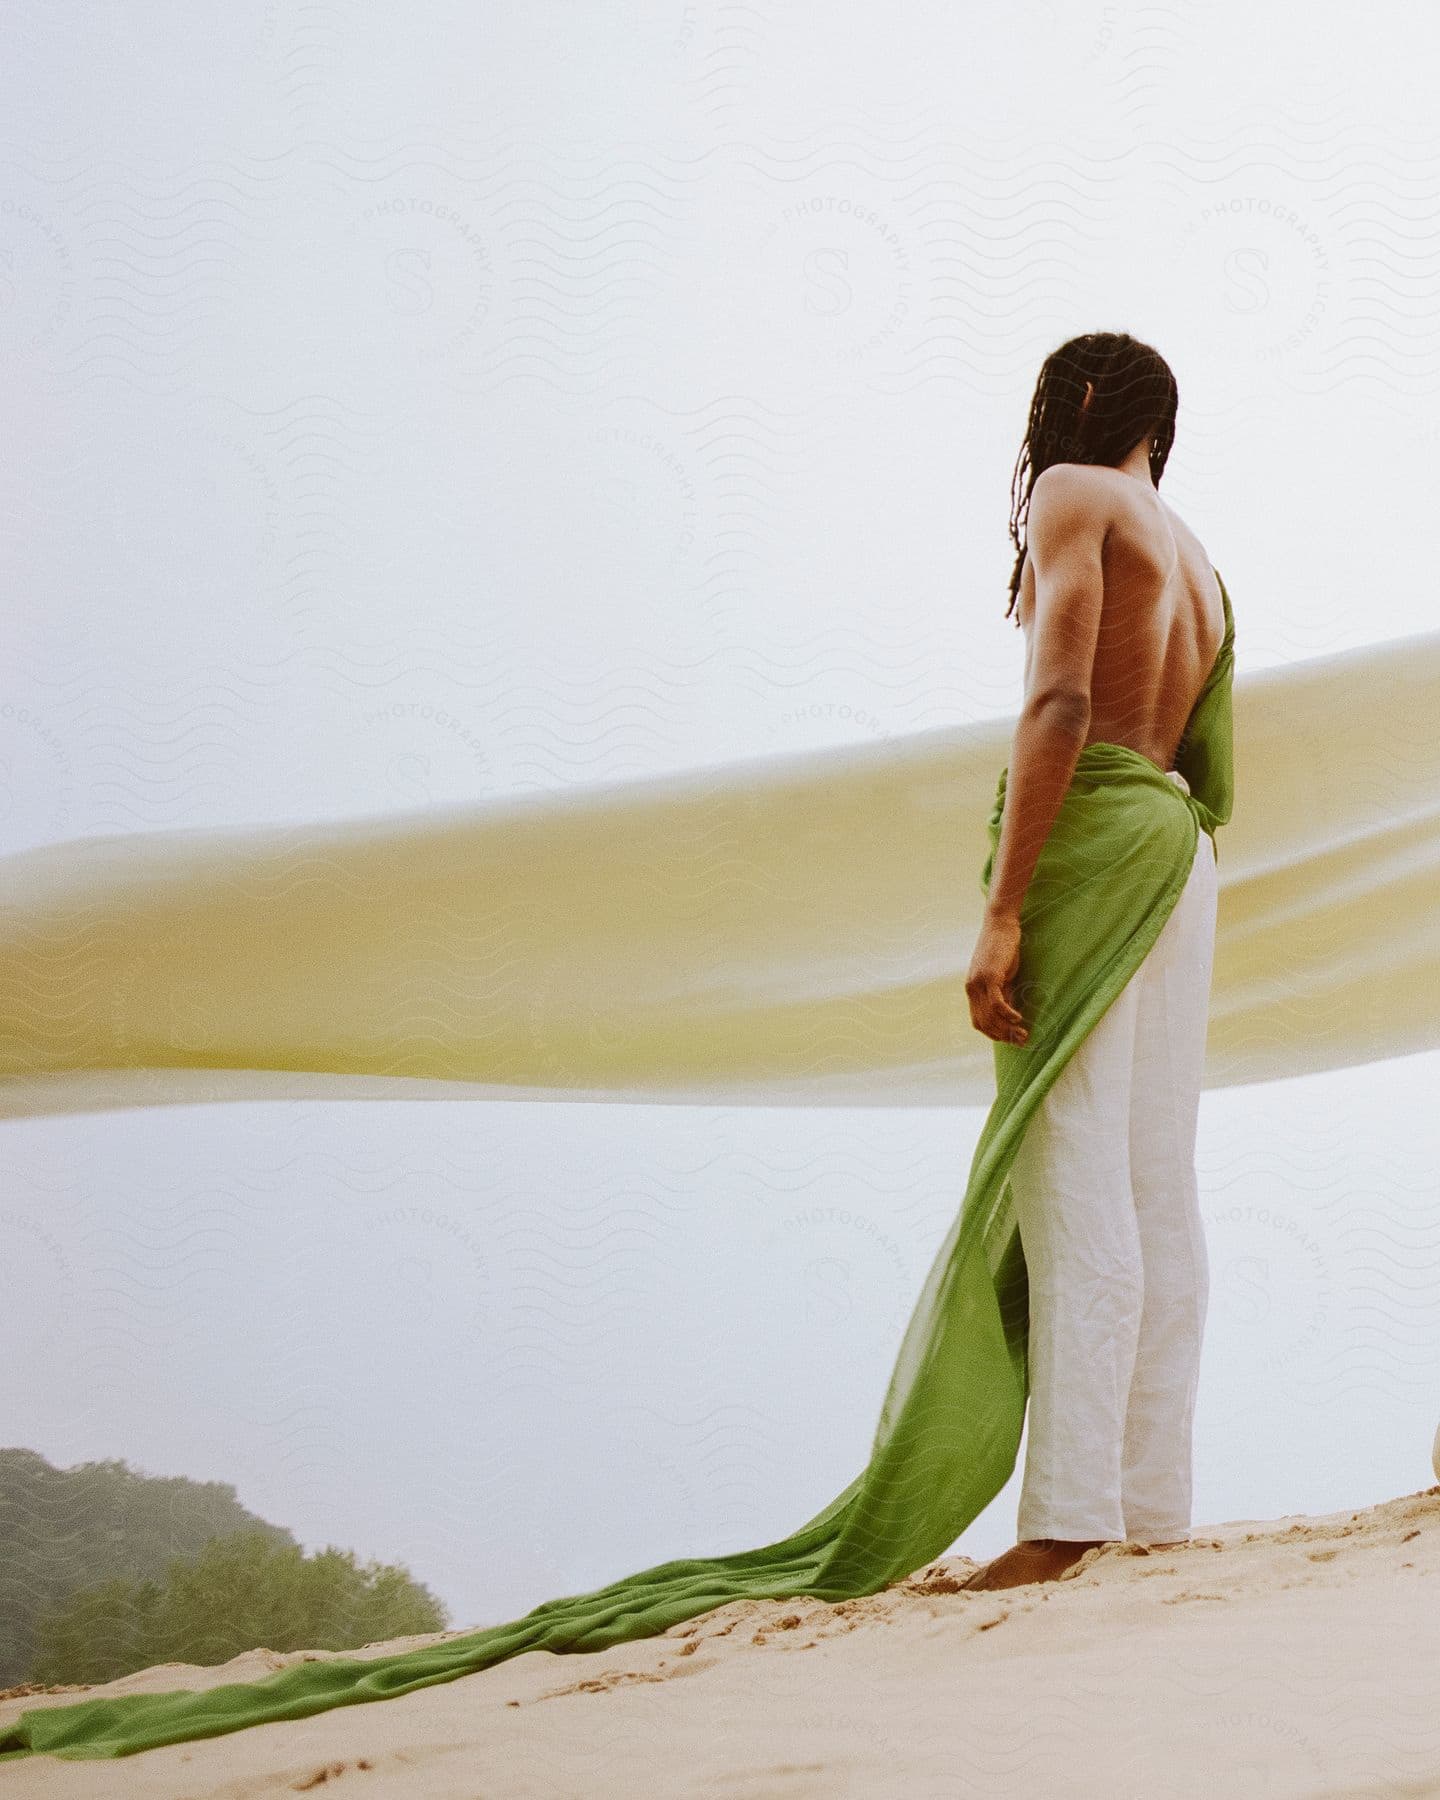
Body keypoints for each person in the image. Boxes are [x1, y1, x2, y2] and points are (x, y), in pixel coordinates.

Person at [961, 331, 1225, 1590]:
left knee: (1073, 1165)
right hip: (1181, 845)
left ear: (1069, 402)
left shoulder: (1077, 497)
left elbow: (1060, 701)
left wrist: (1007, 907)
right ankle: (1150, 1503)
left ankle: (1064, 1517)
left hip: (1100, 834)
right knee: (1158, 1178)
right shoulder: (1209, 565)